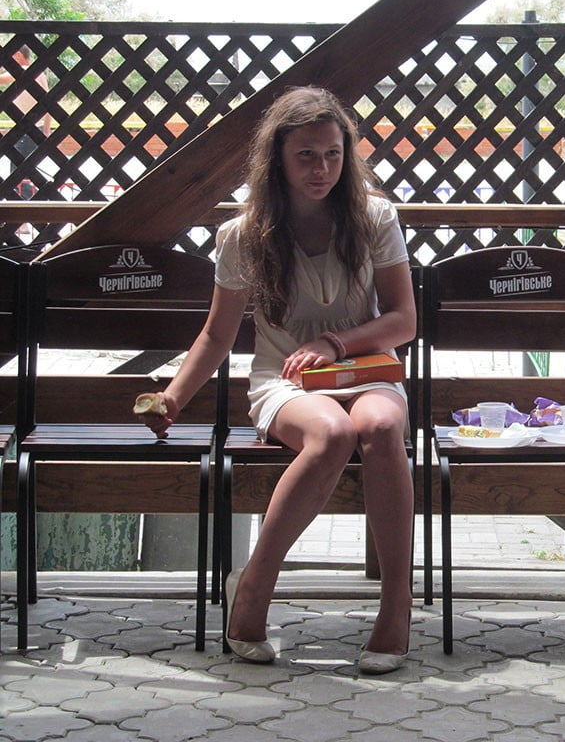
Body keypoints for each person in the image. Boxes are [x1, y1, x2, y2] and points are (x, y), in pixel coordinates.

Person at [137, 86, 416, 674]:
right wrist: (172, 398)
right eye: (306, 155)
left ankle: (396, 606)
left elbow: (403, 320)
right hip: (285, 379)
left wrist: (334, 343)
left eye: (333, 154)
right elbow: (216, 336)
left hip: (365, 369)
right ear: (278, 159)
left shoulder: (375, 218)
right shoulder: (245, 235)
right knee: (333, 434)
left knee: (381, 424)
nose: (321, 169)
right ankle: (256, 584)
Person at [0, 45, 52, 199]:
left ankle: (22, 206)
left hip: (27, 131)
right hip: (35, 129)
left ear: (17, 55)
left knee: (18, 172)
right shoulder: (39, 73)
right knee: (25, 170)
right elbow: (49, 105)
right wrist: (46, 130)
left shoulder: (23, 70)